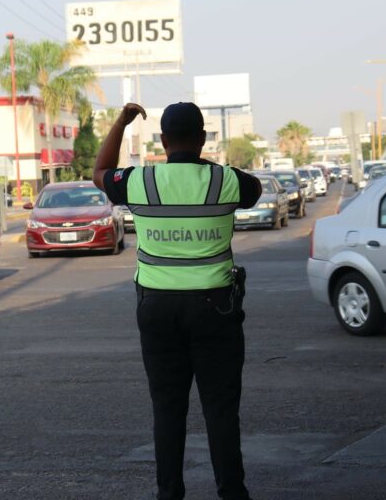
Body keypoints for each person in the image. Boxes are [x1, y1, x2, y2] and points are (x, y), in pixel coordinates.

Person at [93, 102, 261, 500]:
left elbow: (100, 171)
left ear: (163, 140)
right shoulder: (227, 181)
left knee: (167, 409)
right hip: (216, 311)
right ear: (203, 139)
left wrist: (121, 122)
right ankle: (232, 492)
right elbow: (254, 189)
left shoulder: (140, 182)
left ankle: (169, 493)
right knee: (221, 409)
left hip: (157, 311)